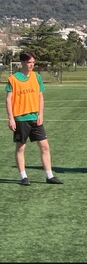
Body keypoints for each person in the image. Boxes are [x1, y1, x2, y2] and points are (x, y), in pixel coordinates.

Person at [5, 51, 63, 185]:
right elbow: (8, 100)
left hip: (35, 118)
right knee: (21, 148)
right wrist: (11, 118)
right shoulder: (13, 79)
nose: (31, 65)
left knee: (45, 146)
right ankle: (23, 176)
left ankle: (49, 176)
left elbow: (40, 97)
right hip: (20, 119)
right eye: (29, 62)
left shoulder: (36, 77)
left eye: (33, 62)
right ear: (22, 62)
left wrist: (41, 114)